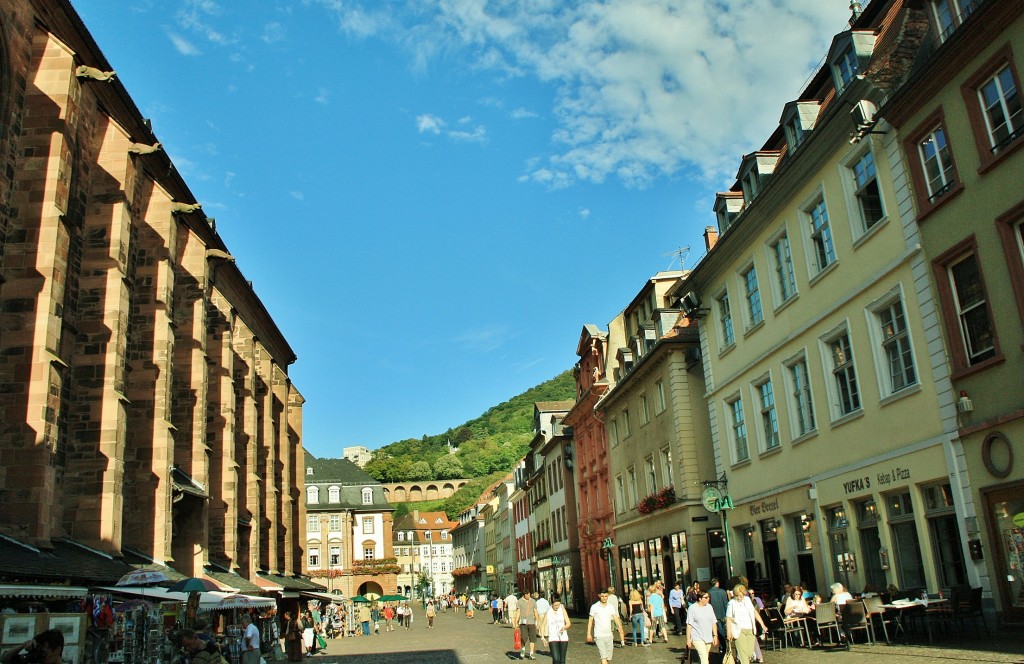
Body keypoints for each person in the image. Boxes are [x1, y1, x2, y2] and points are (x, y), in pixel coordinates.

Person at [725, 583, 767, 664]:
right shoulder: (731, 603)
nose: (739, 597)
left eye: (741, 595)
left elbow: (754, 612)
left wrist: (762, 625)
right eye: (737, 595)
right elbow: (728, 618)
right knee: (743, 654)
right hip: (739, 631)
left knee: (750, 653)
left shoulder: (747, 600)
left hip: (750, 629)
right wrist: (729, 632)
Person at [586, 589, 626, 664]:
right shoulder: (594, 607)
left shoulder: (610, 607)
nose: (604, 598)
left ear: (608, 596)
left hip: (609, 635)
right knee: (603, 656)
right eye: (602, 596)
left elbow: (615, 618)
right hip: (599, 635)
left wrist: (620, 627)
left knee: (608, 658)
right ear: (599, 596)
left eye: (606, 596)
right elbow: (590, 621)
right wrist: (589, 633)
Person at [685, 591, 719, 664]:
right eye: (706, 597)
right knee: (704, 658)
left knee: (705, 657)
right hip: (697, 637)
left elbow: (713, 622)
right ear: (700, 599)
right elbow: (689, 624)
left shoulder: (709, 607)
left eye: (709, 597)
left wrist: (715, 635)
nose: (708, 599)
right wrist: (688, 639)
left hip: (708, 637)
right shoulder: (692, 608)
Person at [544, 593, 571, 664]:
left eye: (558, 605)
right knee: (556, 659)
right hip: (553, 637)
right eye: (555, 605)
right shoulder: (548, 611)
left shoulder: (562, 609)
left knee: (562, 660)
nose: (557, 607)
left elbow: (568, 623)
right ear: (552, 603)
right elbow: (543, 624)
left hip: (563, 637)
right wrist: (543, 637)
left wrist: (564, 627)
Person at [707, 578, 729, 657]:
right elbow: (726, 603)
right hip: (722, 613)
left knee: (718, 631)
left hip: (714, 615)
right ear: (717, 583)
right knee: (722, 631)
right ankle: (723, 646)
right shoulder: (722, 591)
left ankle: (723, 647)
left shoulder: (709, 592)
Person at [517, 590, 538, 660]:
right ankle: (523, 649)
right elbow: (518, 611)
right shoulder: (520, 601)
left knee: (532, 638)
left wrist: (537, 621)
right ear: (524, 595)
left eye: (529, 594)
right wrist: (516, 621)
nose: (529, 596)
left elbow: (535, 611)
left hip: (531, 622)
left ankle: (531, 654)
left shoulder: (533, 601)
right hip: (523, 623)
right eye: (527, 595)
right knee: (524, 637)